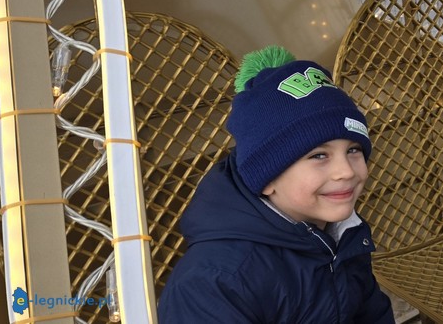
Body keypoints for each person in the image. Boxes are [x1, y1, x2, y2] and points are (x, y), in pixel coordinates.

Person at [157, 46, 394, 323]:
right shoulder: (215, 283)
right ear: (267, 178)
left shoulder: (343, 235)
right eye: (319, 155)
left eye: (353, 150)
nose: (346, 171)